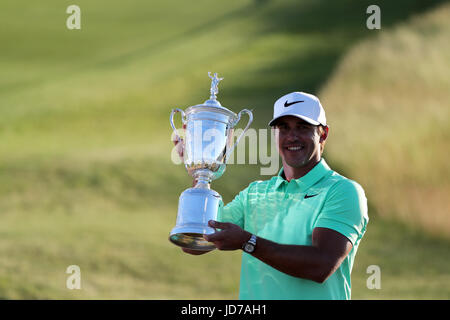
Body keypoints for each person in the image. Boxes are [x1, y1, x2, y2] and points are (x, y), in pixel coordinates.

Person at [173, 91, 369, 299]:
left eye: (302, 127)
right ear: (275, 134)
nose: (292, 136)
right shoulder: (254, 194)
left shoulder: (343, 191)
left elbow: (321, 265)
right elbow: (196, 242)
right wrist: (199, 170)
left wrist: (248, 242)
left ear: (323, 134)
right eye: (283, 128)